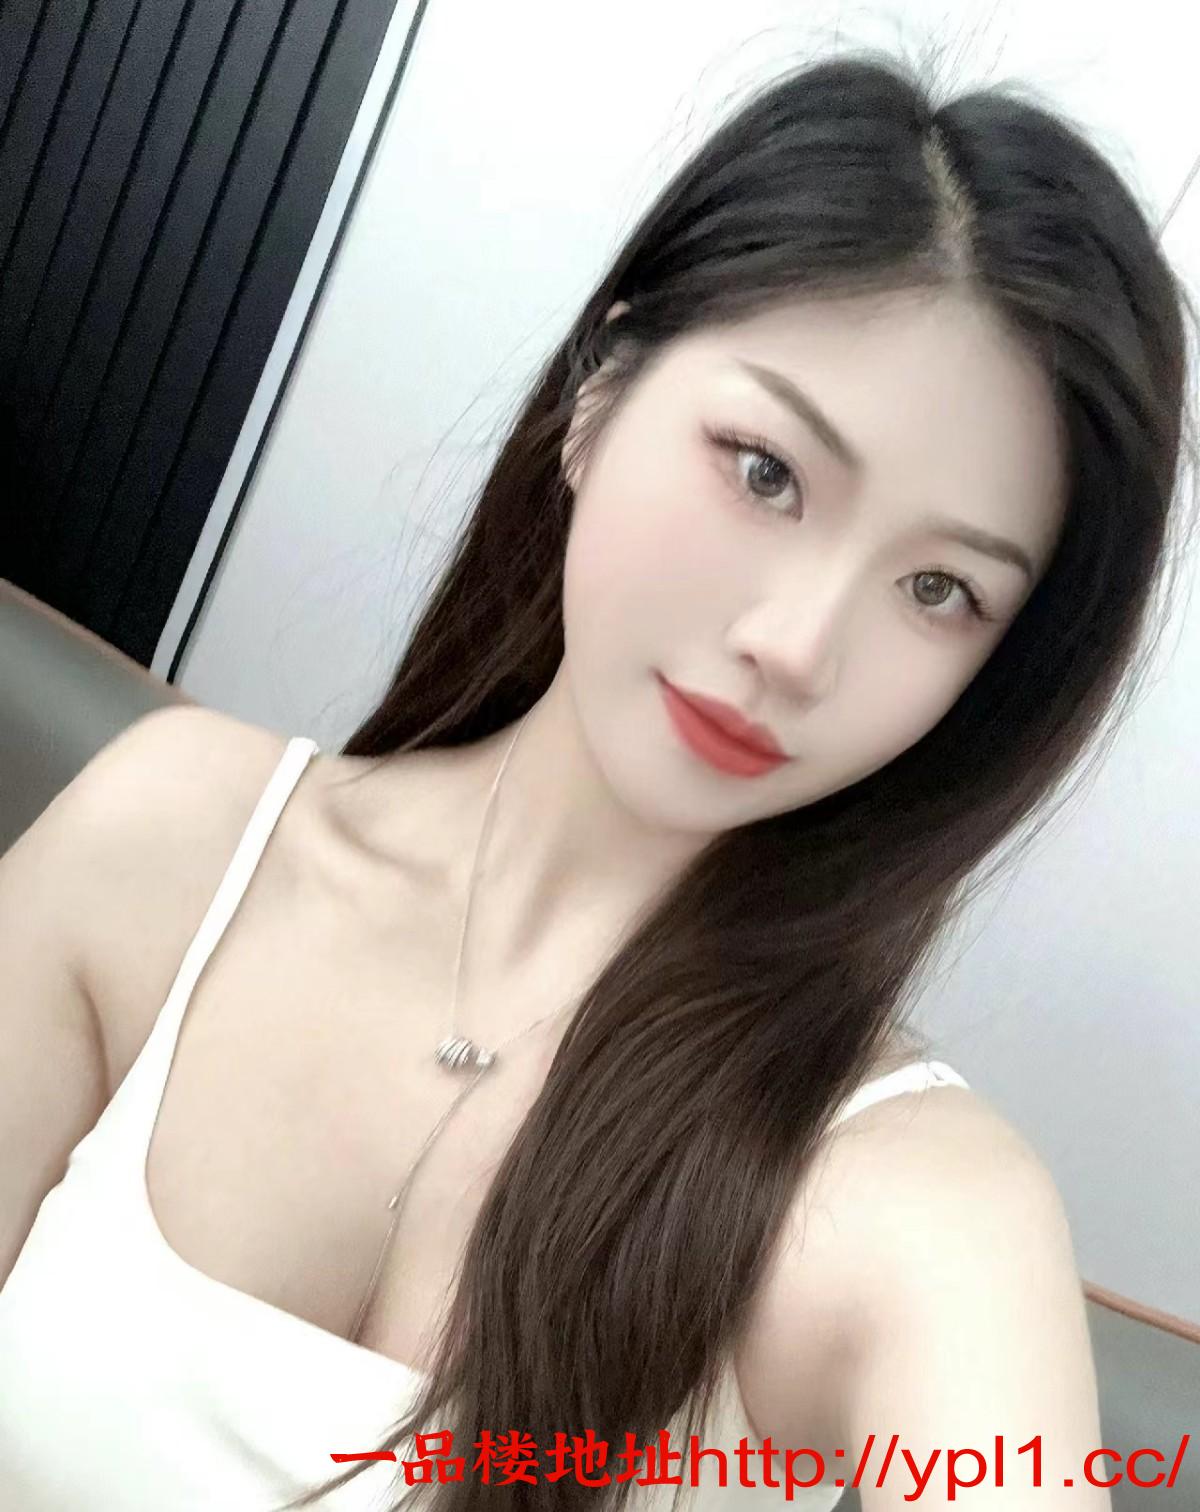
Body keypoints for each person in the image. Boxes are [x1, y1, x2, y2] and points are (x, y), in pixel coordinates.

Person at [0, 46, 1192, 1512]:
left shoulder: (913, 1205)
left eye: (938, 588)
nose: (795, 646)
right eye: (765, 471)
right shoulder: (174, 843)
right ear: (600, 393)